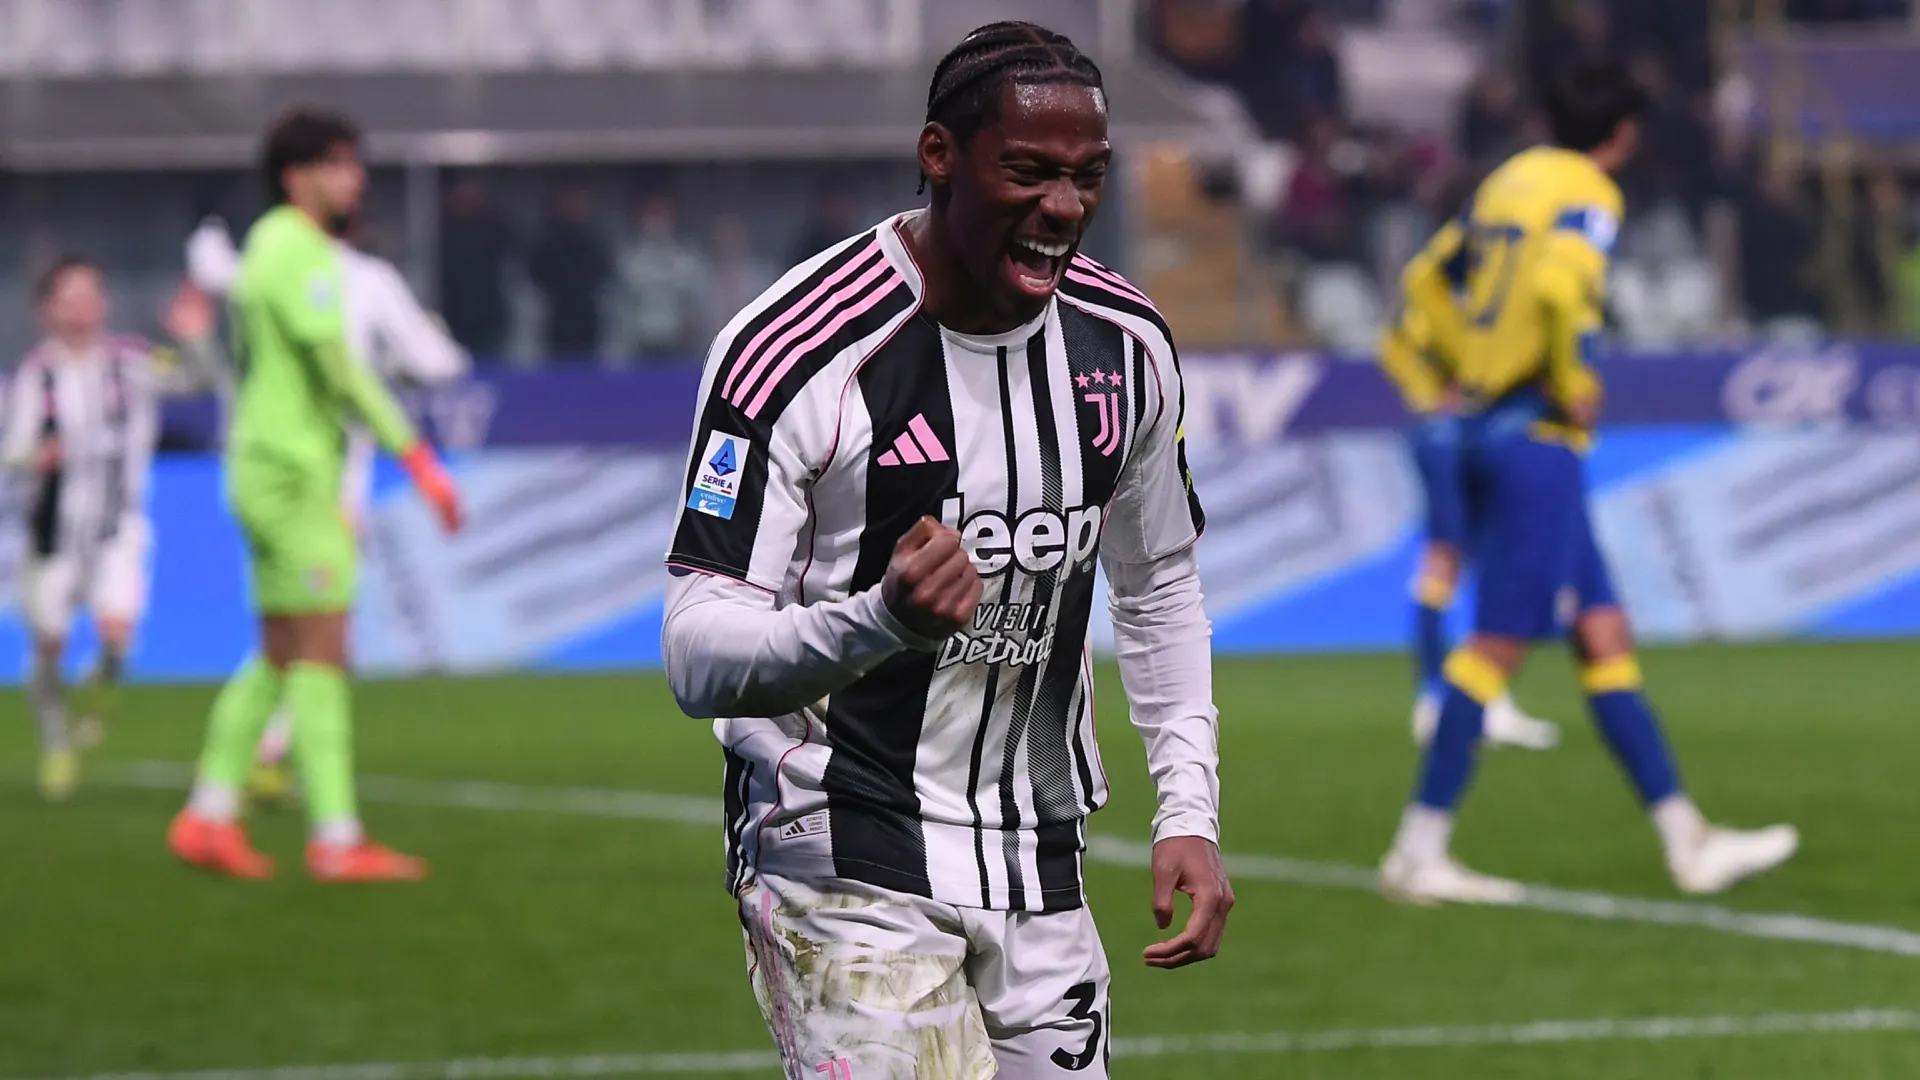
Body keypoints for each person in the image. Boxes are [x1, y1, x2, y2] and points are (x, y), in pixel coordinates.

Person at [662, 22, 1230, 1078]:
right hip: (839, 844)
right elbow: (696, 652)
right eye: (1028, 172)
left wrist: (1187, 808)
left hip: (1037, 852)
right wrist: (879, 621)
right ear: (939, 155)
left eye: (1086, 178)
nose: (1062, 208)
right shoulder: (793, 352)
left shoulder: (1126, 347)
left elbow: (1158, 585)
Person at [1377, 61, 1798, 905]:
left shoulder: (1505, 182)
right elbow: (1564, 283)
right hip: (1538, 431)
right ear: (1624, 133)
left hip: (1488, 424)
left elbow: (1425, 280)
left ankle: (1689, 840)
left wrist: (1461, 365)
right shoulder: (1588, 193)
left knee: (1602, 634)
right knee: (1497, 643)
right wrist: (1573, 372)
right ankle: (1419, 851)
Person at [168, 107, 464, 883]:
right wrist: (419, 460)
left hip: (264, 465)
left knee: (279, 651)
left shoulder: (269, 248)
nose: (355, 179)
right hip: (295, 473)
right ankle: (336, 838)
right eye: (342, 163)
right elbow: (340, 369)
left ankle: (206, 814)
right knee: (325, 652)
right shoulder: (298, 254)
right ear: (300, 174)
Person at [1, 258, 208, 799]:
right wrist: (31, 456)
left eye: (90, 294)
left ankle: (102, 678)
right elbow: (12, 450)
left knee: (117, 631)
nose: (82, 307)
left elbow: (196, 378)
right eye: (68, 297)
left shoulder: (134, 361)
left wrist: (196, 339)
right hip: (51, 537)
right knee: (49, 644)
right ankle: (56, 743)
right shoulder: (34, 374)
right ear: (46, 310)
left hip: (119, 529)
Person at [1377, 259, 1559, 752]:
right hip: (1450, 435)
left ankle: (1473, 697)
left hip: (1459, 435)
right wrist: (1435, 397)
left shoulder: (1439, 296)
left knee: (1472, 558)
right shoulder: (1450, 301)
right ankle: (1439, 697)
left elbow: (1394, 347)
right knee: (1449, 555)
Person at [527, 186, 613, 360]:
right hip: (556, 314)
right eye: (568, 205)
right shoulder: (547, 241)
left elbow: (604, 271)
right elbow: (535, 273)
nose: (573, 209)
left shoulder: (593, 240)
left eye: (577, 205)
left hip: (586, 312)